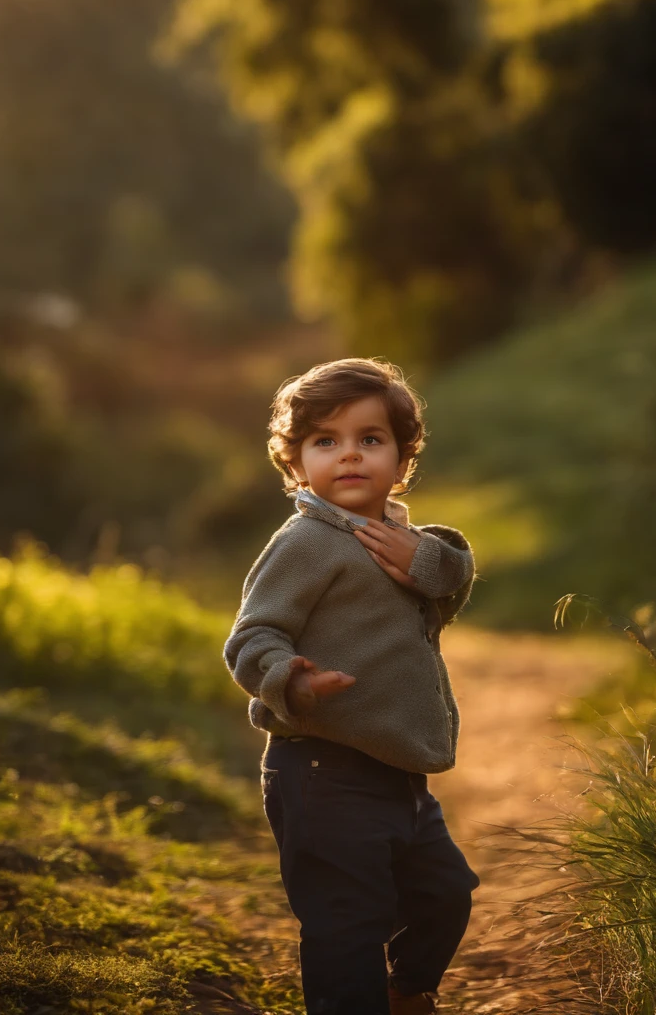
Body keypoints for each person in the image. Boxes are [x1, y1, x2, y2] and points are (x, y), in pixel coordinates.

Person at [223, 357, 480, 1015]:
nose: (350, 456)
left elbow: (447, 586)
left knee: (444, 892)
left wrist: (422, 560)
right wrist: (290, 681)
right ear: (295, 461)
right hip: (322, 769)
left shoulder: (399, 537)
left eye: (371, 439)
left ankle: (408, 989)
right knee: (348, 926)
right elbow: (253, 637)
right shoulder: (305, 543)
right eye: (326, 441)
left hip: (399, 773)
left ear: (402, 457)